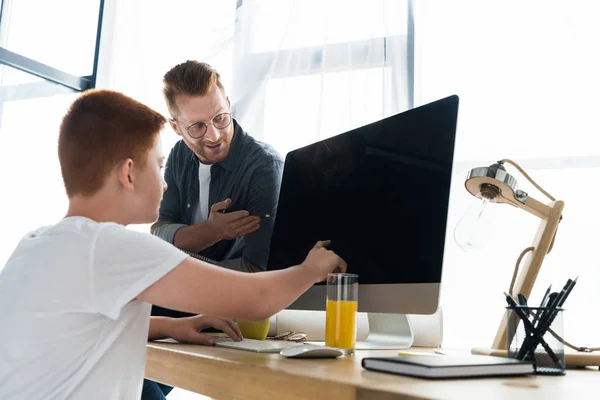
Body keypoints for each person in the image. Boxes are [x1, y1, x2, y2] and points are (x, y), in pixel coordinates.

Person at [0, 89, 346, 399]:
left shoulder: (36, 244)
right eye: (159, 165)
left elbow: (77, 325)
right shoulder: (111, 247)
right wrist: (311, 268)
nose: (165, 183)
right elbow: (256, 301)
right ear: (129, 173)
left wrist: (171, 326)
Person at [151, 60, 283, 275]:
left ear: (228, 105)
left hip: (234, 302)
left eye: (220, 118)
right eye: (197, 126)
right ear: (176, 127)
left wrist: (177, 259)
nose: (214, 136)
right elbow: (158, 232)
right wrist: (210, 231)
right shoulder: (179, 155)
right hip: (180, 294)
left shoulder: (265, 167)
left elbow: (258, 271)